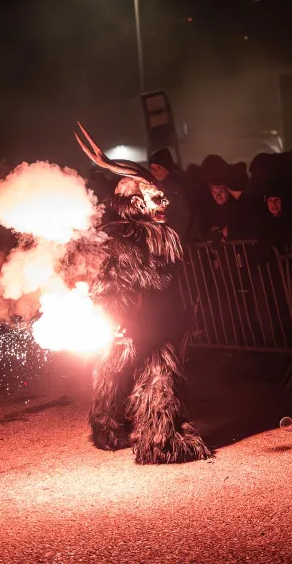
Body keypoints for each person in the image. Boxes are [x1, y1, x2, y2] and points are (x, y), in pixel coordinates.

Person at [75, 123, 212, 464]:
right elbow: (126, 282)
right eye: (155, 197)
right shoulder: (141, 237)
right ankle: (159, 443)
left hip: (133, 320)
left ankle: (109, 429)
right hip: (145, 322)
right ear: (136, 202)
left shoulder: (123, 233)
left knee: (115, 368)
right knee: (157, 373)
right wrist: (119, 319)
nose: (164, 201)